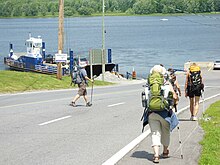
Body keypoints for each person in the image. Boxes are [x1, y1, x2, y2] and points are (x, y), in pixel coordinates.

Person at [148, 65, 178, 163]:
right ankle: (165, 152)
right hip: (165, 113)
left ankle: (156, 155)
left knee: (155, 133)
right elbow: (174, 96)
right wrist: (175, 101)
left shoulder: (149, 84)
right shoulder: (166, 83)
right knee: (166, 132)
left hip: (152, 113)